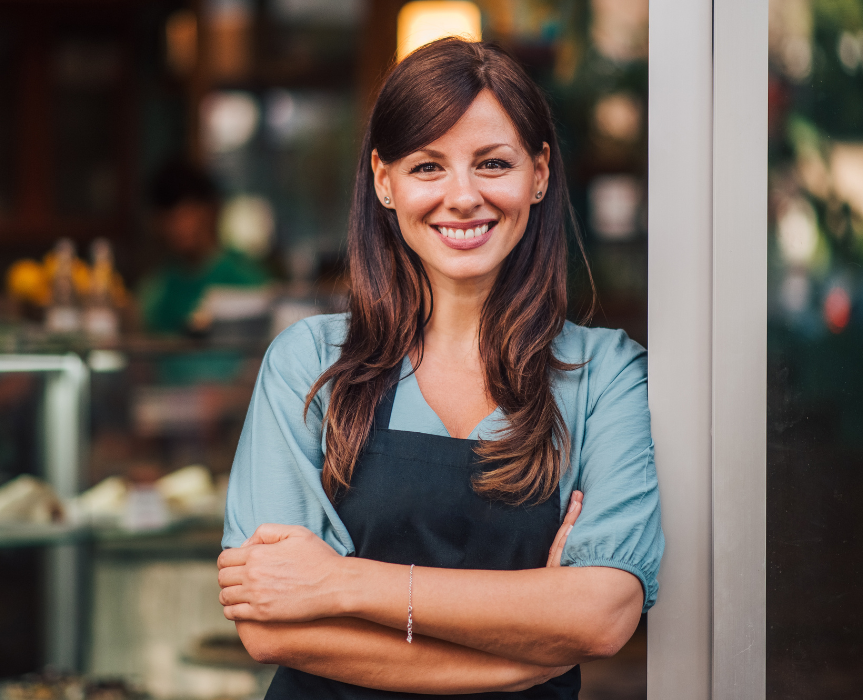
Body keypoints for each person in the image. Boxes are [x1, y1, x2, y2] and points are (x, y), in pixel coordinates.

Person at [216, 38, 663, 698]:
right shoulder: (310, 363)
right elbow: (272, 630)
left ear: (538, 173)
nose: (462, 197)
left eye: (492, 163)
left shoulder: (605, 374)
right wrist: (528, 654)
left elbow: (602, 616)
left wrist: (339, 583)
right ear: (383, 180)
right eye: (428, 167)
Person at [137, 161, 270, 334]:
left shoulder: (247, 279)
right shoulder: (156, 290)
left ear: (209, 210)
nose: (178, 225)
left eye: (186, 211)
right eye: (169, 216)